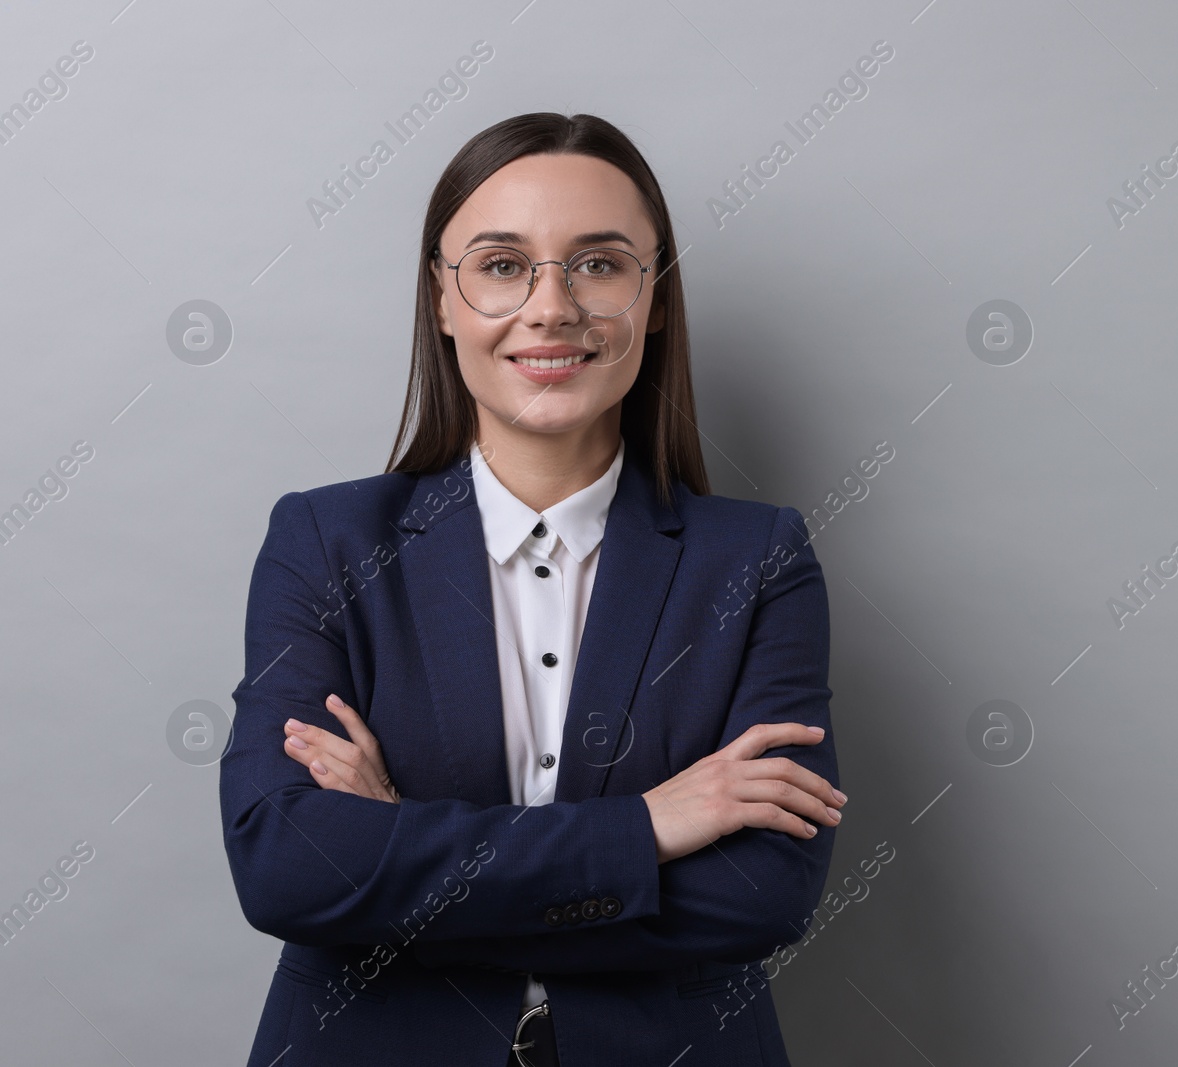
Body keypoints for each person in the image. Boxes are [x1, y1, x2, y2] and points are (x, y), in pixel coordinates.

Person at [218, 112, 844, 1067]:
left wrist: (394, 850)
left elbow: (763, 892)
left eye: (598, 263)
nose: (551, 308)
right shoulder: (326, 542)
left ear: (657, 296)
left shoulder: (758, 560)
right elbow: (287, 867)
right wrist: (651, 827)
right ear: (443, 298)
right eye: (503, 265)